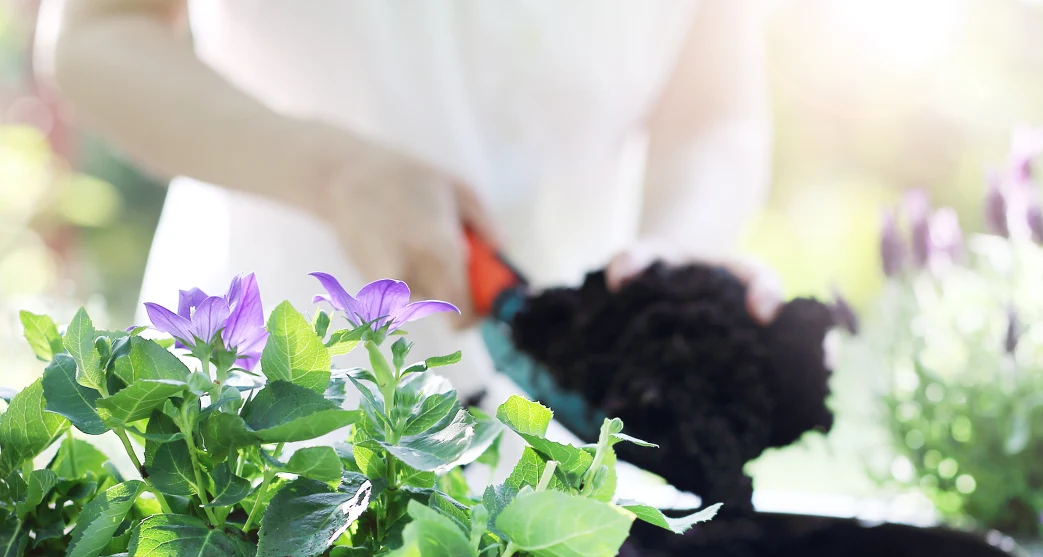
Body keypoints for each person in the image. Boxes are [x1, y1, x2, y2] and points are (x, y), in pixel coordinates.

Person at [35, 0, 781, 397]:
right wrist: (334, 174)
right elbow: (97, 35)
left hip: (566, 422)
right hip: (272, 412)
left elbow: (714, 116)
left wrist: (674, 255)